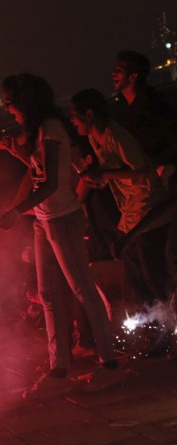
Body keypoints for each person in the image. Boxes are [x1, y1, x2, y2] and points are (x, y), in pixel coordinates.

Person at [0, 74, 125, 399]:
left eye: (10, 103)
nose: (8, 111)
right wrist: (20, 157)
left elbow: (53, 183)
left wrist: (15, 211)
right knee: (48, 294)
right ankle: (59, 370)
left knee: (82, 290)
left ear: (25, 102)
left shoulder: (52, 128)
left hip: (63, 219)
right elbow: (41, 172)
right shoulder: (40, 131)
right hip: (44, 220)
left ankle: (111, 365)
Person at [70, 88, 170, 305]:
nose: (71, 121)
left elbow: (141, 169)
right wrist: (100, 179)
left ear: (89, 114)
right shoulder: (95, 139)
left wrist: (103, 173)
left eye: (74, 115)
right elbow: (117, 171)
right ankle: (152, 323)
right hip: (130, 211)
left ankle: (167, 321)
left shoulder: (115, 135)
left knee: (153, 274)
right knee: (135, 273)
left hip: (147, 207)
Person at [110, 50, 177, 176]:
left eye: (119, 71)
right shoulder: (123, 107)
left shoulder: (152, 104)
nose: (113, 74)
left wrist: (160, 164)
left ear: (133, 76)